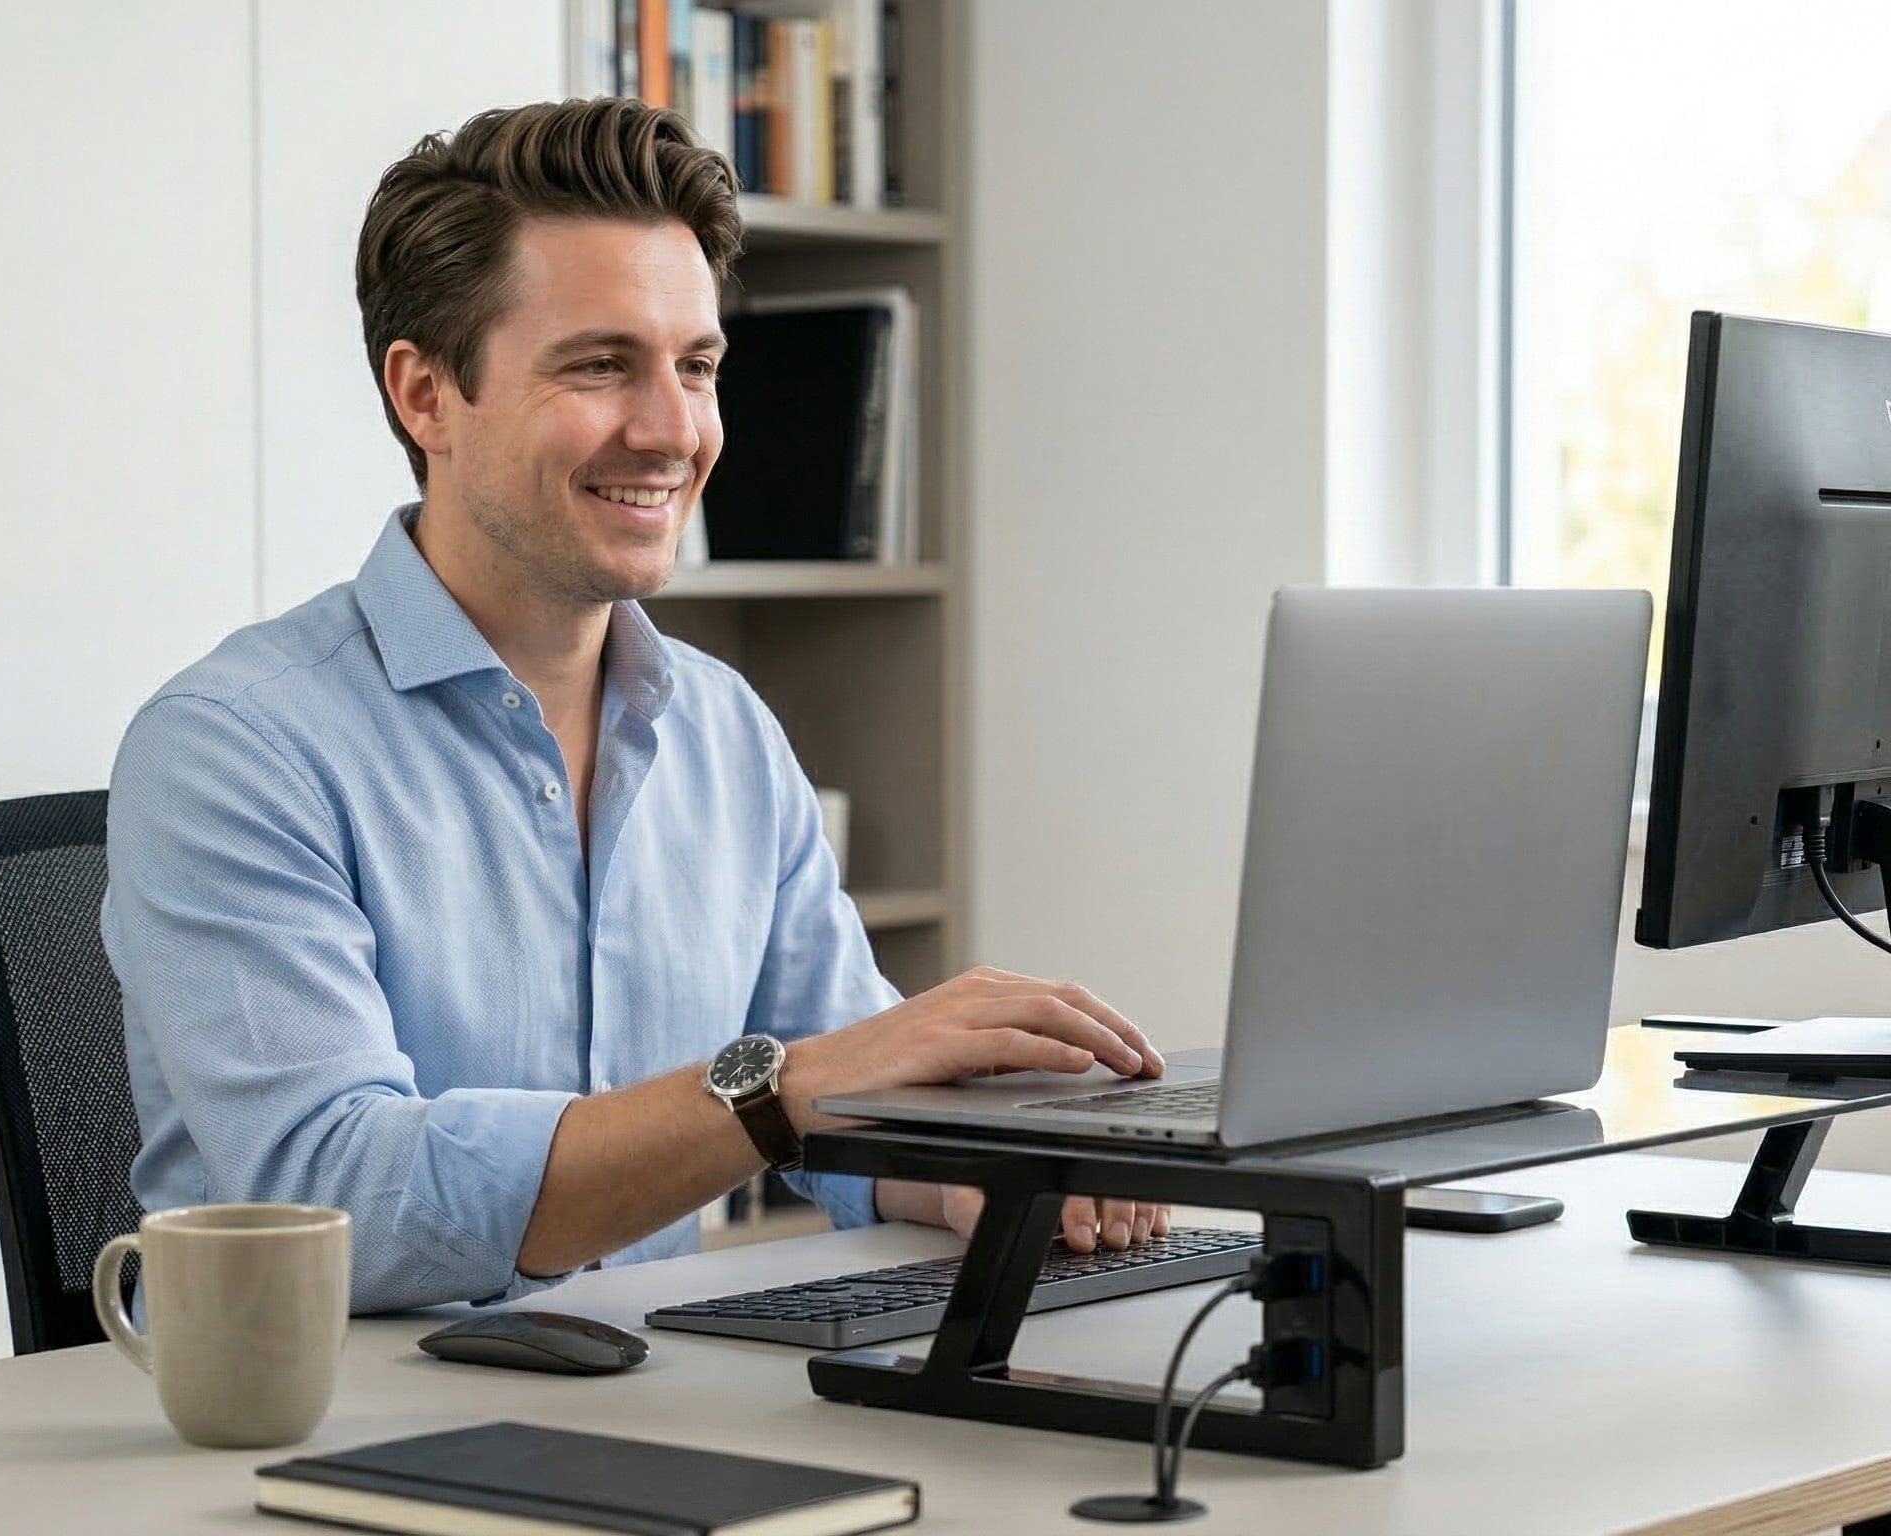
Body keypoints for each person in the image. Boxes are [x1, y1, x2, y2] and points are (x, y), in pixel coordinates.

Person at [101, 97, 1170, 1312]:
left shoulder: (723, 730)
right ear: (426, 396)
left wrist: (988, 1171)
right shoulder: (234, 748)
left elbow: (848, 1108)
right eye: (601, 365)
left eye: (698, 366)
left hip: (629, 1397)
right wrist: (783, 1090)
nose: (674, 431)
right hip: (318, 1433)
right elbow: (340, 1203)